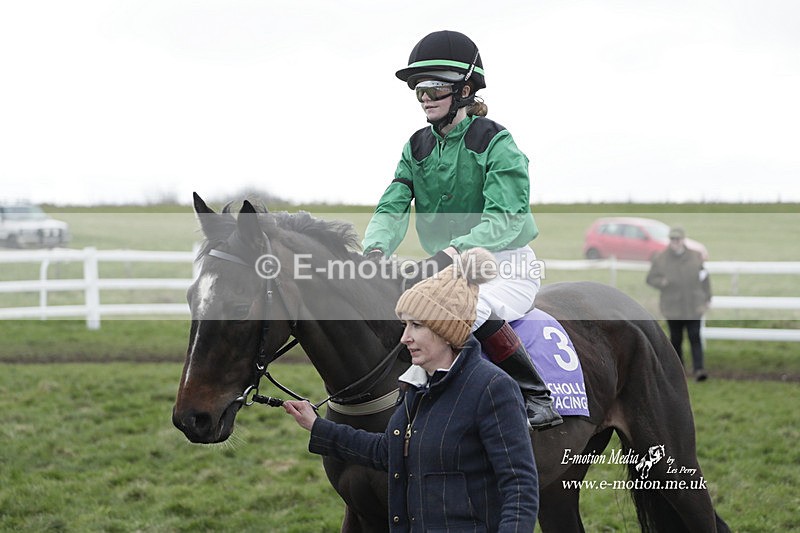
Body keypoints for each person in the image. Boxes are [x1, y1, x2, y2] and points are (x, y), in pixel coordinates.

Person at [362, 29, 561, 429]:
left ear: (465, 89)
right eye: (419, 89)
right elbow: (393, 204)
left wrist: (452, 254)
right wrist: (374, 250)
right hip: (443, 271)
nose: (425, 98)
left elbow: (505, 218)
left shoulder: (497, 142)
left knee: (469, 308)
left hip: (503, 267)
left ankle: (535, 395)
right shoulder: (415, 146)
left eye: (435, 88)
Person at [284, 248, 539, 532]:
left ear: (446, 330)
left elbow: (520, 486)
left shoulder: (493, 388)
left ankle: (540, 395)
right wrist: (317, 426)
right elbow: (388, 452)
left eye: (416, 325)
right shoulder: (413, 387)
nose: (405, 337)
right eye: (404, 324)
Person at [646, 227, 712, 381]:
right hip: (673, 306)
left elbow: (704, 278)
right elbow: (650, 279)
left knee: (695, 336)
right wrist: (662, 282)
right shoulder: (661, 259)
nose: (675, 242)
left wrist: (708, 298)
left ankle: (699, 369)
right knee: (675, 339)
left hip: (693, 305)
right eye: (673, 239)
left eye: (678, 239)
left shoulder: (695, 257)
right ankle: (678, 370)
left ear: (683, 239)